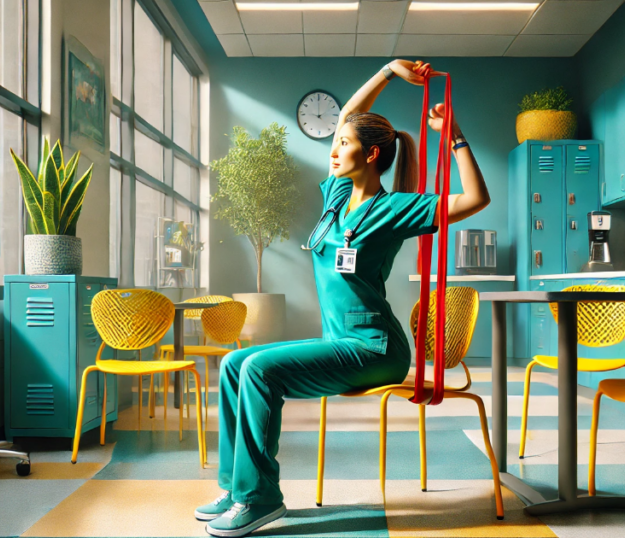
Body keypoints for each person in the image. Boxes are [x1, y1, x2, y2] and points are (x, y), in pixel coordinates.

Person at [196, 59, 491, 538]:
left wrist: (454, 137)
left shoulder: (397, 208)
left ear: (373, 155)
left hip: (375, 349)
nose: (335, 149)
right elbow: (351, 113)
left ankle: (260, 499)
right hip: (341, 342)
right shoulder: (335, 196)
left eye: (346, 144)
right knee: (235, 365)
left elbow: (475, 198)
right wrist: (388, 72)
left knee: (259, 370)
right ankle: (236, 489)